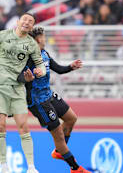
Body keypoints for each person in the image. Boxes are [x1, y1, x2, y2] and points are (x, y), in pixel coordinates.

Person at [0, 13, 46, 173]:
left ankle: (31, 167)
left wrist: (40, 72)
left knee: (23, 126)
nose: (27, 23)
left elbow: (40, 65)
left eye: (31, 22)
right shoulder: (2, 35)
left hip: (17, 88)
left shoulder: (31, 44)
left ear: (32, 27)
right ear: (18, 22)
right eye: (25, 19)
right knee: (0, 125)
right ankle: (4, 166)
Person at [17, 27, 90, 173]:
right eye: (43, 36)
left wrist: (71, 67)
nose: (45, 38)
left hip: (48, 94)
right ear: (38, 39)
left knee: (71, 118)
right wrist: (27, 78)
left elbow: (58, 68)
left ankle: (59, 150)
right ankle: (75, 168)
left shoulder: (44, 54)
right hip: (38, 102)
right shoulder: (27, 58)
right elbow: (17, 77)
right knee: (58, 135)